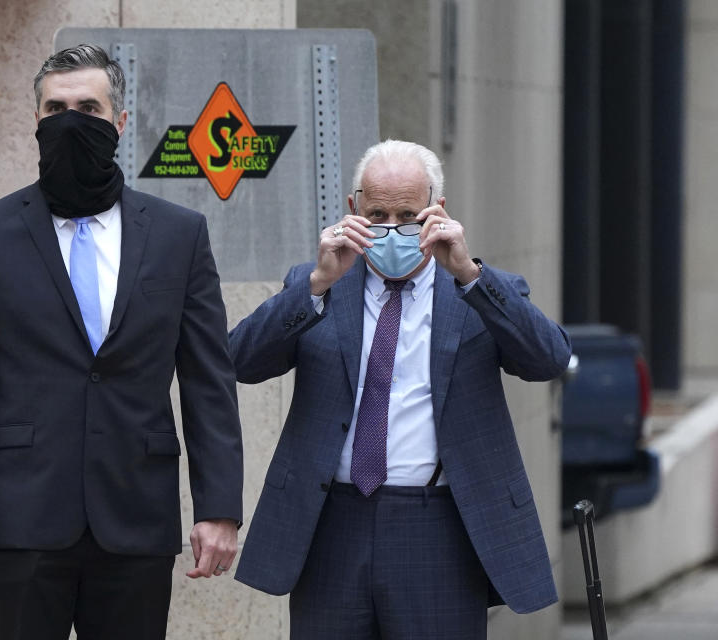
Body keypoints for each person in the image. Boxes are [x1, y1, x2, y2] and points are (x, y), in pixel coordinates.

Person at [0, 45, 243, 640]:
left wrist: (218, 506)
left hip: (136, 516)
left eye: (89, 108)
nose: (72, 120)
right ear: (37, 122)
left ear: (119, 123)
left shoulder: (180, 235)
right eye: (57, 108)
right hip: (22, 520)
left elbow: (208, 379)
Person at [229, 140, 571, 639]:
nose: (392, 228)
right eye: (377, 214)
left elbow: (548, 359)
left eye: (408, 214)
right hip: (332, 524)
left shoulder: (477, 291)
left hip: (438, 529)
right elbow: (240, 360)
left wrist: (470, 276)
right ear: (353, 211)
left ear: (438, 212)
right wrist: (318, 284)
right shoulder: (317, 285)